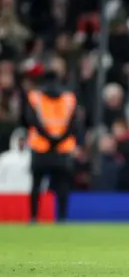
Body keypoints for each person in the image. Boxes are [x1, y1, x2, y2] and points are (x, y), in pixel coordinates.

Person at [25, 70, 78, 223]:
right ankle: (61, 217)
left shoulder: (35, 97)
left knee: (36, 184)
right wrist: (59, 139)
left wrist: (48, 139)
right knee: (62, 185)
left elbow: (32, 121)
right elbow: (74, 124)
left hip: (40, 146)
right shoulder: (69, 98)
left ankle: (34, 217)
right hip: (62, 147)